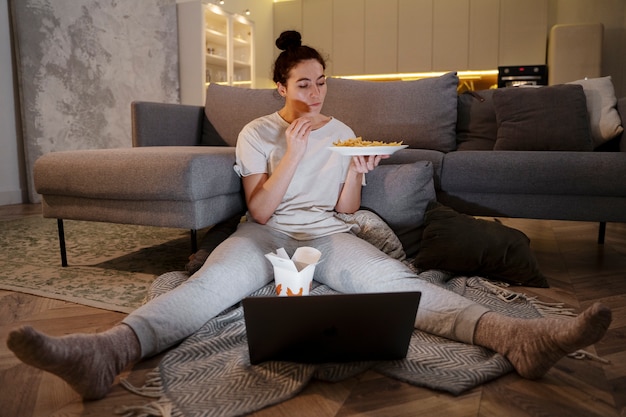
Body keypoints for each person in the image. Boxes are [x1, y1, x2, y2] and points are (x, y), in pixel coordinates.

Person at [7, 31, 612, 401]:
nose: (315, 95)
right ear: (280, 87)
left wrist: (355, 172)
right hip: (265, 231)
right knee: (210, 286)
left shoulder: (343, 129)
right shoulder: (255, 133)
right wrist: (292, 153)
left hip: (329, 233)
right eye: (303, 84)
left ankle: (517, 339)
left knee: (390, 284)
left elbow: (344, 210)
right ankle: (107, 352)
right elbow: (261, 207)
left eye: (322, 83)